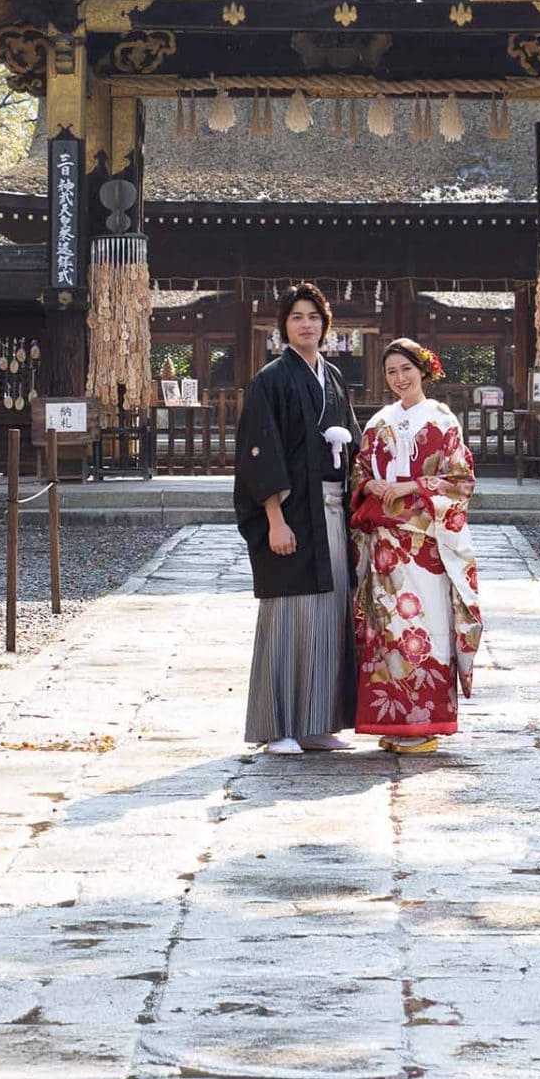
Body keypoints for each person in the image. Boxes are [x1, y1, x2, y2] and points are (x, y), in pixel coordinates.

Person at [233, 282, 357, 754]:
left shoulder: (333, 377)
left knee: (328, 615)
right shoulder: (271, 379)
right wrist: (273, 520)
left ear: (326, 325)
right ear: (283, 326)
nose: (306, 324)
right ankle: (278, 727)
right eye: (296, 317)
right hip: (288, 512)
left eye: (314, 316)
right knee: (288, 617)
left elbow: (355, 446)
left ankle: (316, 723)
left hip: (330, 509)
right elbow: (257, 453)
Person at [348, 338, 481, 754]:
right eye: (391, 372)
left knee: (426, 628)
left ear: (423, 370)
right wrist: (372, 484)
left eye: (406, 369)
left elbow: (460, 481)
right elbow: (358, 471)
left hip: (426, 543)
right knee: (387, 629)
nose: (399, 378)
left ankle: (427, 724)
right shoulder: (377, 423)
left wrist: (411, 485)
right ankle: (392, 723)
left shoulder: (443, 421)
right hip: (386, 545)